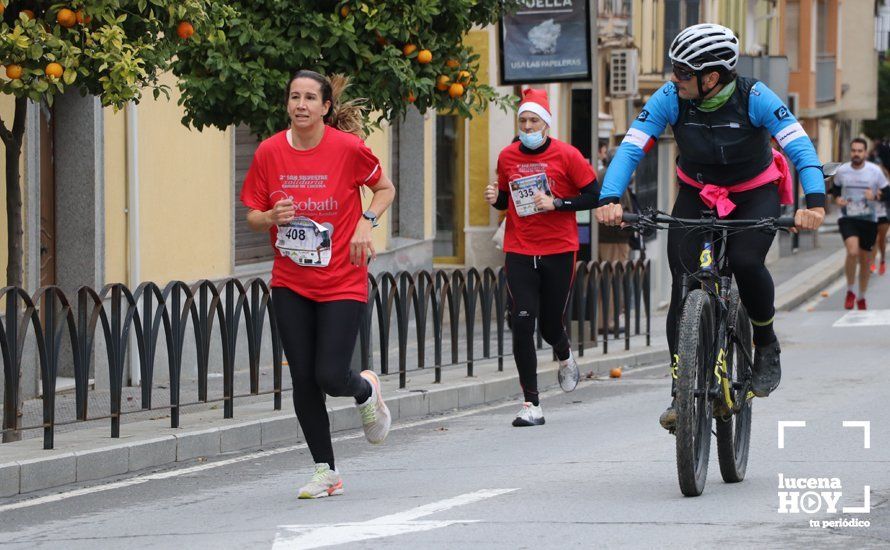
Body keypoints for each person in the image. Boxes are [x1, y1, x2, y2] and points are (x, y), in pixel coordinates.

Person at [595, 24, 826, 431]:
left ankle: (766, 342)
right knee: (684, 281)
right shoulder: (670, 98)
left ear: (711, 77)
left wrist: (815, 204)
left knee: (744, 260)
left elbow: (799, 146)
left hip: (753, 194)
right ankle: (680, 392)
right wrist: (609, 198)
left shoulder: (754, 97)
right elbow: (631, 146)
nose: (673, 78)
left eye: (682, 72)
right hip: (697, 194)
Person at [241, 70, 396, 498]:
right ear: (287, 104)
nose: (301, 104)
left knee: (330, 374)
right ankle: (326, 469)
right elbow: (252, 213)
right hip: (290, 280)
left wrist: (367, 222)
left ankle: (365, 388)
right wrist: (271, 218)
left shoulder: (347, 148)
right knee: (305, 380)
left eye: (310, 97)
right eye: (294, 97)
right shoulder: (270, 152)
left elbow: (384, 188)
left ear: (326, 107)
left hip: (342, 278)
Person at [484, 88, 598, 427]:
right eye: (523, 120)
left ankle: (563, 353)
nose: (528, 126)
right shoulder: (507, 156)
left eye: (534, 120)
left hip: (559, 249)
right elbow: (506, 199)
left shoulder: (567, 156)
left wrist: (558, 204)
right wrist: (495, 198)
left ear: (546, 124)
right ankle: (531, 403)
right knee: (521, 320)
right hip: (519, 248)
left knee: (550, 325)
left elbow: (594, 195)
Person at [830, 138, 890, 309]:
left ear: (865, 153)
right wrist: (837, 198)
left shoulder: (874, 171)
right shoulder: (842, 171)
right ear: (851, 152)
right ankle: (850, 291)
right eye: (854, 151)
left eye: (860, 151)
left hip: (868, 220)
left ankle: (861, 296)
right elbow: (834, 188)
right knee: (852, 251)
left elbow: (887, 193)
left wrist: (876, 196)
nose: (856, 154)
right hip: (848, 218)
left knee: (864, 260)